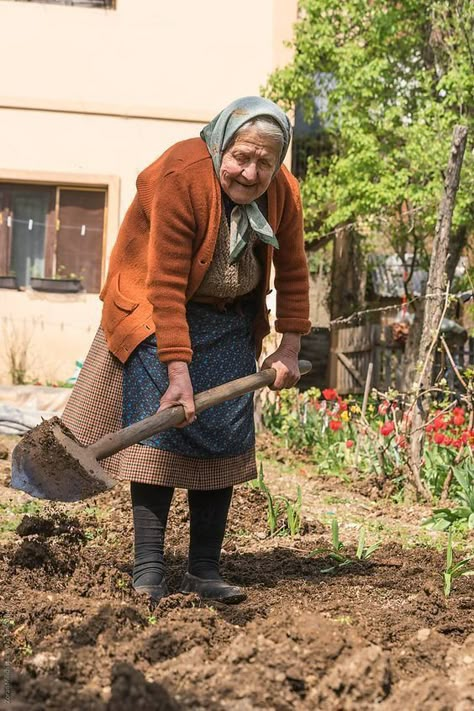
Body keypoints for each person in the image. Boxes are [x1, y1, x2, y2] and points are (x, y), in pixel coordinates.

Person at [62, 96, 310, 605]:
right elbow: (167, 284)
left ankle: (203, 570)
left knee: (222, 439)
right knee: (161, 443)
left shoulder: (282, 191)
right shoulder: (182, 175)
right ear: (220, 143)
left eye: (266, 161)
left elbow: (294, 271)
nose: (250, 171)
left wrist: (289, 347)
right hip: (157, 310)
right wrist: (178, 372)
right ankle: (148, 570)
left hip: (229, 317)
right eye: (242, 156)